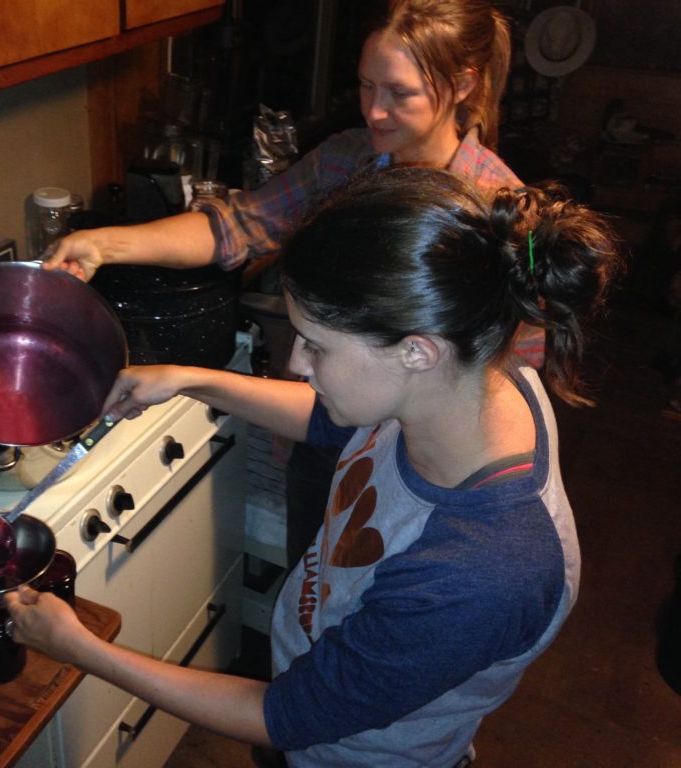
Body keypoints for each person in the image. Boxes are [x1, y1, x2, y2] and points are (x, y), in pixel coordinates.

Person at [5, 167, 622, 767]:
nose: (298, 363)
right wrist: (189, 381)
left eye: (317, 345)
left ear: (416, 351)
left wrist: (81, 648)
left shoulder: (484, 571)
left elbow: (284, 716)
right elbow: (337, 420)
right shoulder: (473, 378)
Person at [44, 0, 535, 566]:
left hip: (418, 472)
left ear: (463, 84)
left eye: (399, 94)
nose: (374, 111)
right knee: (313, 588)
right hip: (323, 447)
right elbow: (240, 224)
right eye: (365, 86)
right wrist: (104, 244)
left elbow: (509, 379)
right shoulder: (349, 161)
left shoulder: (494, 211)